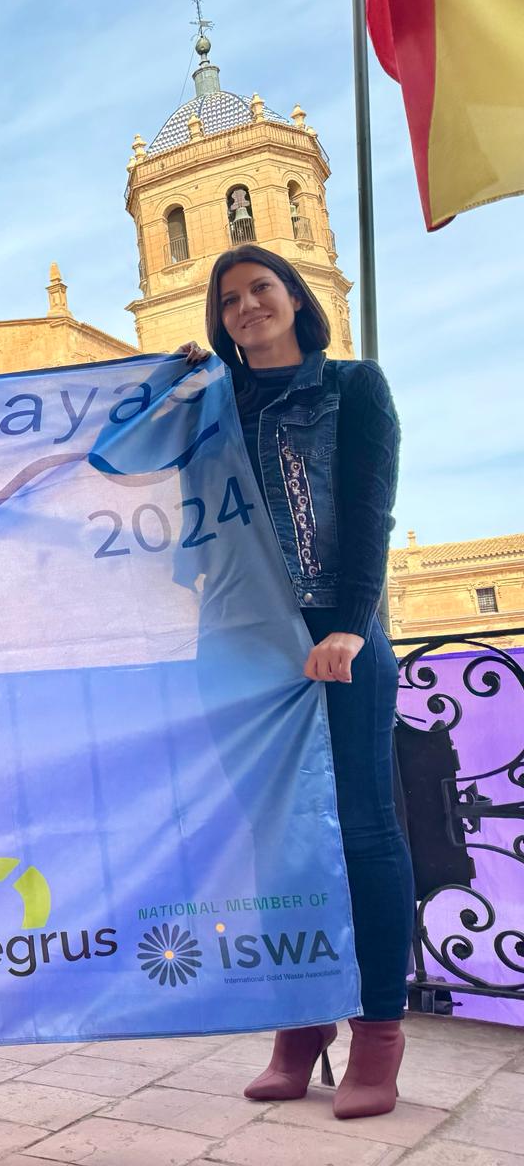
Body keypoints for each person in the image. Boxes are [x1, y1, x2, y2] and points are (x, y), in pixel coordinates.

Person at [179, 247, 413, 1120]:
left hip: (335, 635)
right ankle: (301, 1021)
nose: (246, 307)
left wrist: (352, 622)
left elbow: (368, 506)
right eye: (230, 299)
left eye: (261, 290)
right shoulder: (208, 407)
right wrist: (168, 384)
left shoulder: (354, 387)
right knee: (271, 840)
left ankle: (379, 1030)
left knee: (361, 829)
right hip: (236, 641)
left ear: (294, 299)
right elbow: (138, 476)